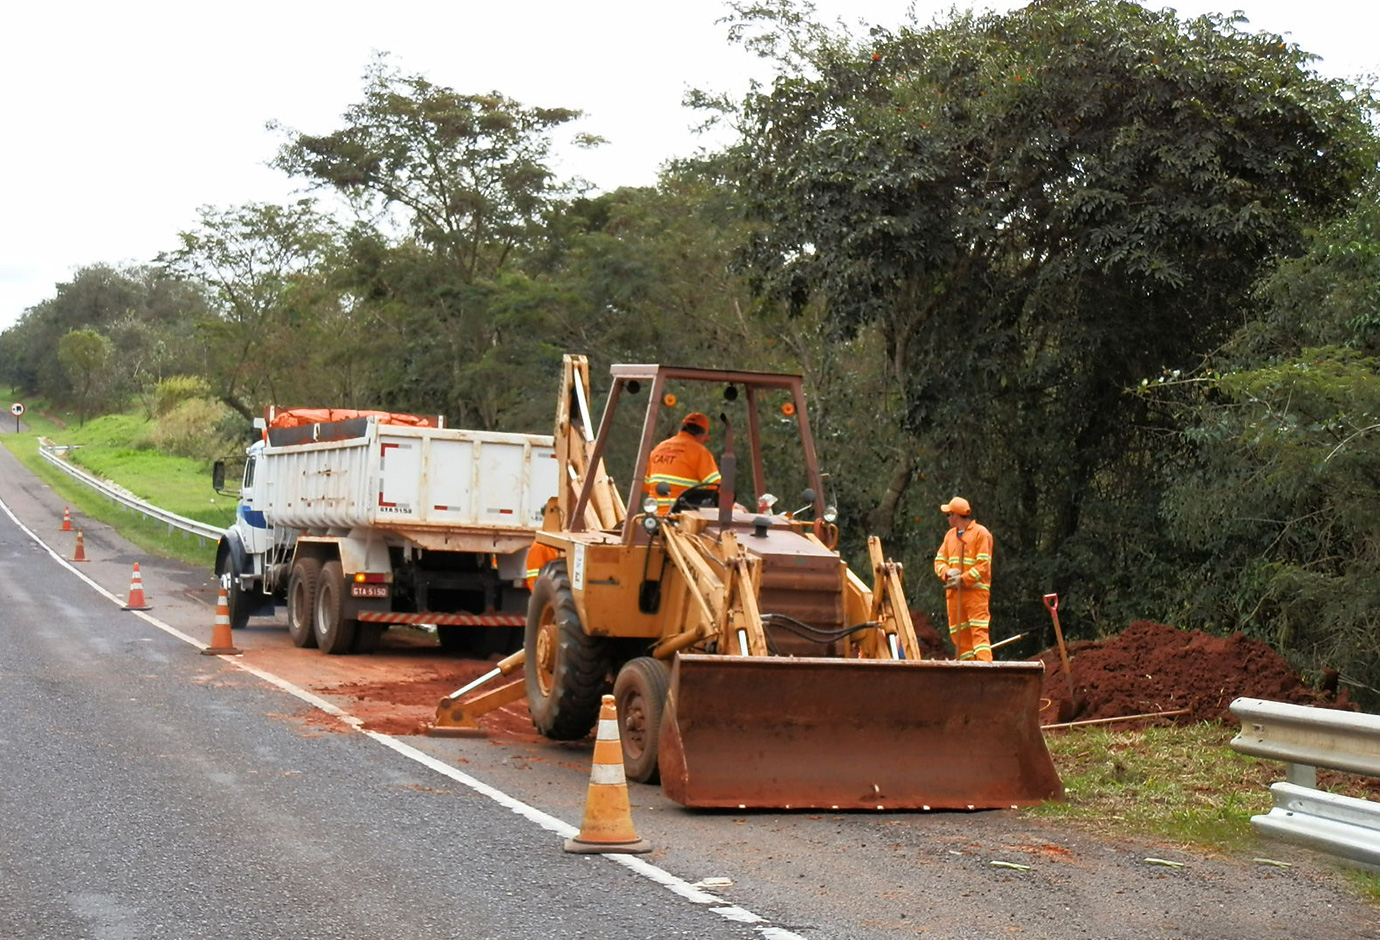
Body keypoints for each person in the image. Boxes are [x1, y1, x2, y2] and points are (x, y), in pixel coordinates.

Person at [933, 496, 994, 662]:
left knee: (979, 634)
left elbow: (983, 566)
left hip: (975, 594)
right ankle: (968, 671)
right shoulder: (949, 536)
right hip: (954, 594)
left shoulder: (981, 534)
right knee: (960, 639)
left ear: (956, 516)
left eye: (949, 515)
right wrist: (947, 573)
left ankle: (985, 670)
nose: (948, 519)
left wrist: (964, 579)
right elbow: (939, 561)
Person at [644, 412, 721, 514]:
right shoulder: (699, 452)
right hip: (683, 520)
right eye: (705, 438)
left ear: (681, 429)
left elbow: (645, 486)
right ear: (701, 435)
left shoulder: (658, 449)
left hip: (654, 518)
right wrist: (733, 507)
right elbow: (717, 487)